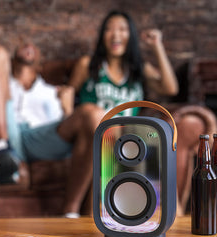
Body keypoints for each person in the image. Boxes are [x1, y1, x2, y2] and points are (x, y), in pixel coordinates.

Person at [68, 10, 206, 215]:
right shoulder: (88, 65)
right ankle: (91, 213)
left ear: (130, 36)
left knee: (161, 136)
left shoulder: (137, 68)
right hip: (94, 134)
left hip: (127, 135)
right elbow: (69, 95)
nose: (115, 35)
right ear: (102, 36)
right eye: (109, 29)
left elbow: (170, 88)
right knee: (105, 134)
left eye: (122, 29)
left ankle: (172, 215)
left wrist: (157, 46)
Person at [0, 41, 96, 218]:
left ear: (41, 65)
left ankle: (70, 213)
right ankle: (3, 151)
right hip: (6, 133)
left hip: (40, 138)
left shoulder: (52, 92)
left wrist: (67, 108)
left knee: (93, 115)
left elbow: (69, 131)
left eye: (34, 47)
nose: (27, 45)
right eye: (22, 44)